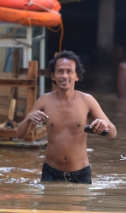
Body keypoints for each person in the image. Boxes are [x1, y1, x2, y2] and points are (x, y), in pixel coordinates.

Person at [16, 50, 117, 184]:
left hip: (80, 173)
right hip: (51, 171)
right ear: (53, 76)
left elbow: (113, 134)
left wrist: (104, 124)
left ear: (77, 76)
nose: (64, 76)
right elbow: (19, 135)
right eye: (60, 71)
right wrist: (29, 118)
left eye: (69, 71)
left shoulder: (87, 100)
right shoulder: (44, 100)